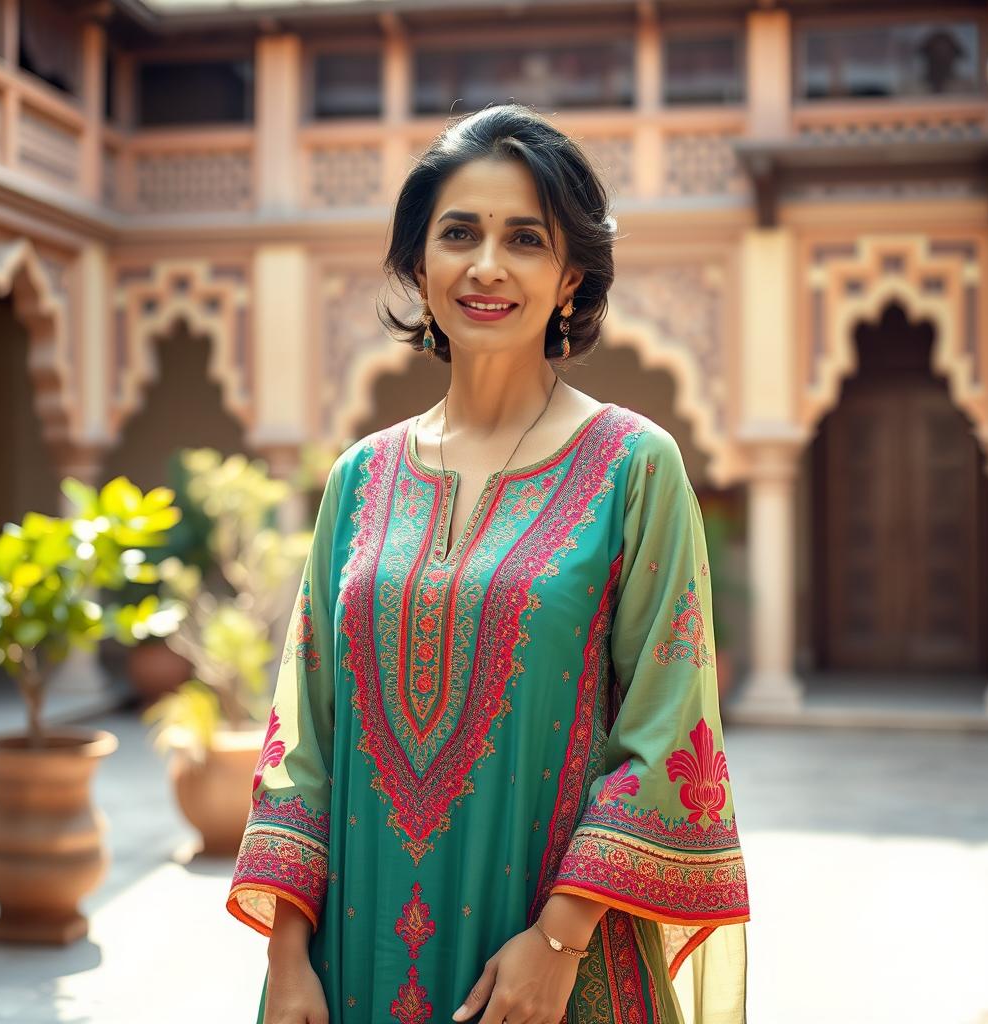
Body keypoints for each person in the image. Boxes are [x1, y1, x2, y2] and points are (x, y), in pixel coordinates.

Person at [226, 103, 750, 1024]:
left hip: (549, 972)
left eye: (525, 239)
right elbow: (301, 724)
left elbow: (667, 728)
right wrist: (287, 955)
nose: (486, 266)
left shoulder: (635, 467)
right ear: (417, 266)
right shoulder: (360, 478)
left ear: (571, 275)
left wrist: (557, 942)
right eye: (458, 233)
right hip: (350, 957)